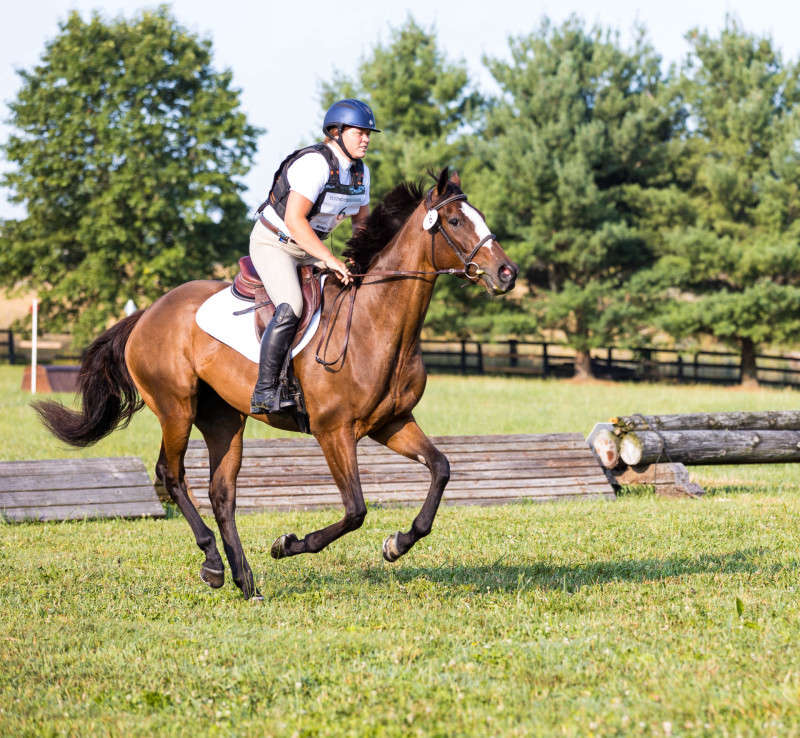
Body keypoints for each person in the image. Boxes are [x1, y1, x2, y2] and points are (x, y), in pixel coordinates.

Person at [249, 98, 380, 414]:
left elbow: (361, 221)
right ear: (336, 132)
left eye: (368, 133)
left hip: (309, 249)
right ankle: (265, 391)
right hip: (276, 242)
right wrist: (329, 259)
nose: (366, 138)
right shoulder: (315, 165)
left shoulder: (360, 173)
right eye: (359, 132)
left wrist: (358, 258)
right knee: (291, 304)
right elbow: (295, 221)